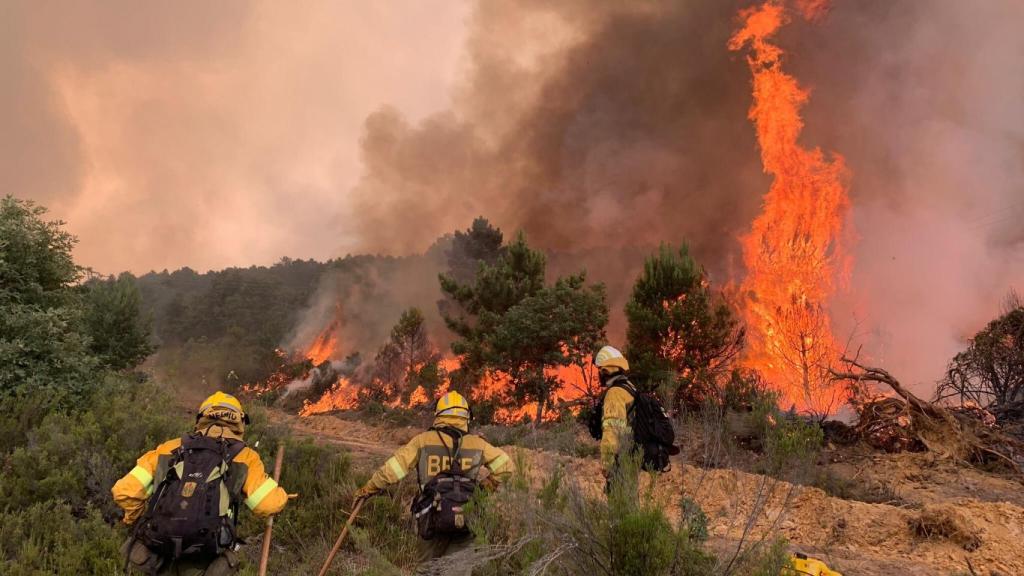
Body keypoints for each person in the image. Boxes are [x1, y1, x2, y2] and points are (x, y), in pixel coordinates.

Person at [112, 392, 289, 575]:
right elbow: (267, 504)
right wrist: (281, 495)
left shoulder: (169, 448)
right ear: (240, 421)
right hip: (206, 558)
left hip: (156, 552)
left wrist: (138, 520)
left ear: (201, 417)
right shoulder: (245, 456)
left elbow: (125, 491)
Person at [354, 391, 513, 573]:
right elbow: (506, 467)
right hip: (466, 518)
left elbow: (392, 470)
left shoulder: (423, 441)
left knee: (426, 570)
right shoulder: (478, 444)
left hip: (430, 518)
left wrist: (369, 488)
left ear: (438, 415)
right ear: (466, 416)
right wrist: (482, 490)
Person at [594, 345, 636, 478]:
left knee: (618, 496)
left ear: (606, 371)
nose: (599, 373)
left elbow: (612, 430)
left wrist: (607, 463)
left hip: (620, 458)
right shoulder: (629, 388)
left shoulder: (614, 393)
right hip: (633, 454)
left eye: (600, 370)